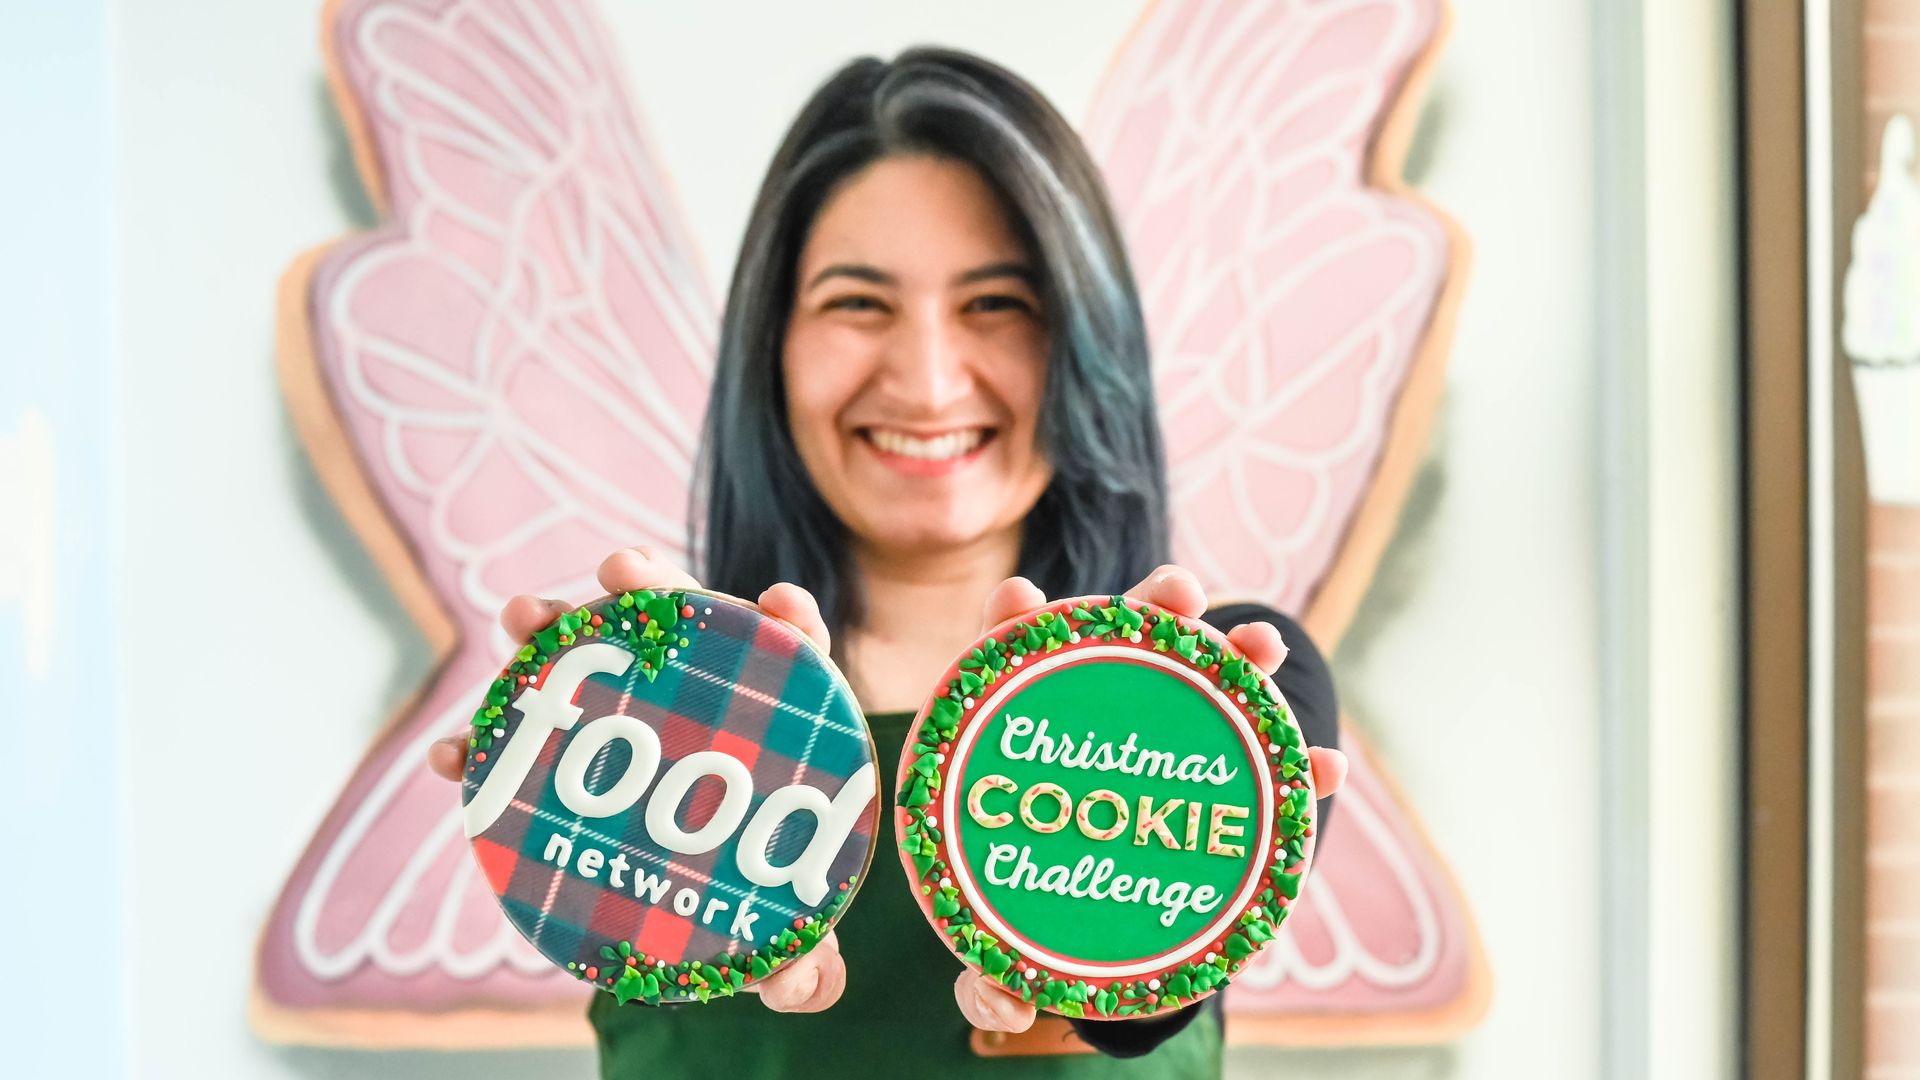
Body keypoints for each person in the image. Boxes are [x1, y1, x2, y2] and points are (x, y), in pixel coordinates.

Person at [427, 47, 1347, 1078]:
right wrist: (616, 776)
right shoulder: (656, 715)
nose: (925, 379)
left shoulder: (1220, 694)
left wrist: (1088, 951)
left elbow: (1123, 1018)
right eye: (859, 303)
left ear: (1089, 342)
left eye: (997, 303)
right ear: (772, 346)